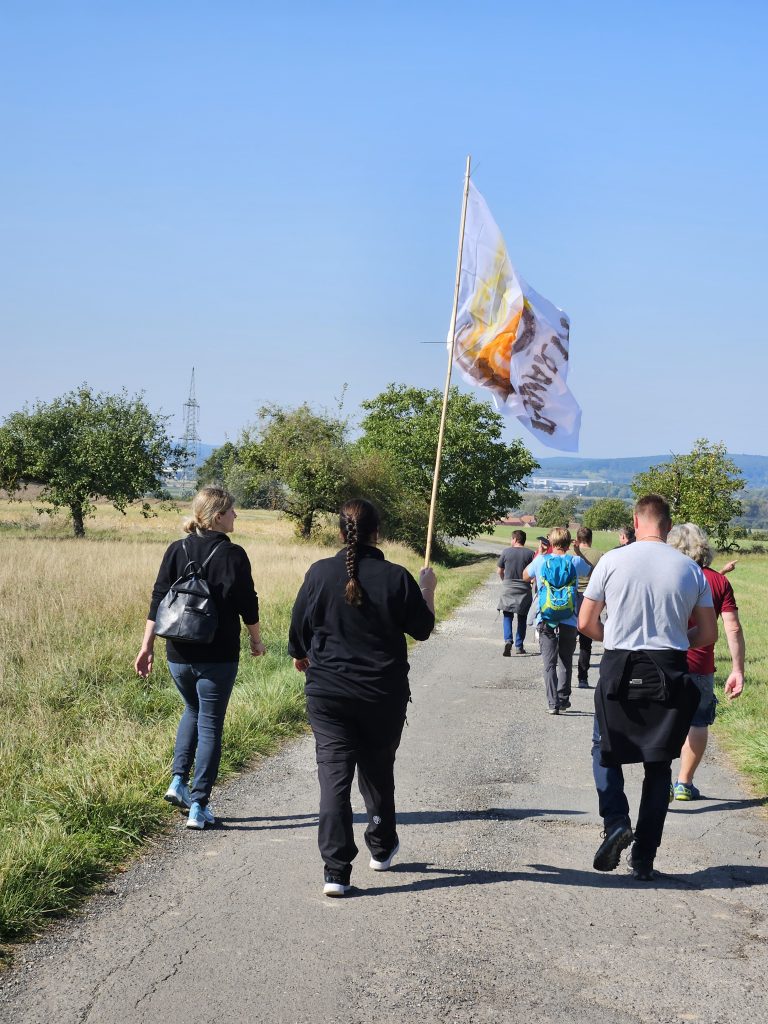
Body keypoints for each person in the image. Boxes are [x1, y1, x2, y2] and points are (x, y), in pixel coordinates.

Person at [288, 499, 436, 897]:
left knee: (334, 778)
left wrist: (302, 655)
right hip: (382, 694)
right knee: (377, 769)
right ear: (377, 533)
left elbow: (298, 627)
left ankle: (335, 871)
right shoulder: (396, 577)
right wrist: (427, 591)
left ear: (340, 533)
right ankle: (382, 846)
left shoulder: (319, 573)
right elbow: (422, 630)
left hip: (329, 693)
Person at [579, 495, 717, 881]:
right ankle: (644, 858)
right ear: (667, 526)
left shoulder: (612, 560)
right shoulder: (690, 570)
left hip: (620, 666)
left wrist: (619, 638)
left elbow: (587, 623)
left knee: (604, 750)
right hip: (669, 670)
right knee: (658, 766)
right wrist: (672, 638)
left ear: (636, 523)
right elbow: (707, 634)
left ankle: (616, 820)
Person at [135, 487, 265, 829]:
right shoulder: (234, 555)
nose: (236, 516)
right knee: (210, 723)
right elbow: (247, 604)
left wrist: (146, 646)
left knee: (192, 710)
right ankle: (199, 804)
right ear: (218, 515)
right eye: (232, 511)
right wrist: (256, 640)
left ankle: (177, 781)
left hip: (177, 652)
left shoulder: (176, 549)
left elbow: (158, 600)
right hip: (218, 655)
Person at [666, 523, 745, 799]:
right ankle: (684, 783)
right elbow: (732, 628)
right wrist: (737, 669)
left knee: (663, 719)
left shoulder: (667, 575)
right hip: (700, 666)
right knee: (698, 721)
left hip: (666, 662)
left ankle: (660, 778)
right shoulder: (719, 581)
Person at [523, 527, 593, 714]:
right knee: (565, 659)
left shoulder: (541, 560)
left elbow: (525, 575)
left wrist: (541, 553)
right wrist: (577, 551)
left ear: (551, 542)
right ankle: (563, 699)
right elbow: (590, 570)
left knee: (549, 663)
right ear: (569, 542)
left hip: (545, 616)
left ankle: (552, 704)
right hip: (569, 617)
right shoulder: (575, 561)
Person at [496, 529, 534, 656]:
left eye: (511, 539)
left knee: (507, 615)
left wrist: (504, 581)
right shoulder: (530, 553)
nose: (510, 541)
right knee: (522, 617)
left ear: (515, 539)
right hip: (524, 588)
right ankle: (519, 646)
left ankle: (508, 640)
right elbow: (532, 573)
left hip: (508, 586)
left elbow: (499, 571)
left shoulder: (506, 552)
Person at [572, 526, 601, 688]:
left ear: (578, 538)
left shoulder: (570, 555)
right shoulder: (600, 555)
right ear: (590, 539)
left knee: (568, 638)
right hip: (591, 599)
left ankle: (564, 671)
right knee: (585, 642)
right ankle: (582, 677)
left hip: (572, 598)